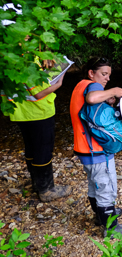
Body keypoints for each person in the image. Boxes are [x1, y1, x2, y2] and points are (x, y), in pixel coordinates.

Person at [69, 58, 122, 237]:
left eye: (108, 76)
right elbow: (92, 98)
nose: (107, 79)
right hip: (96, 151)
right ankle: (111, 229)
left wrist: (106, 100)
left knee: (94, 185)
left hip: (83, 149)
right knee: (105, 187)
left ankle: (100, 216)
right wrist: (114, 91)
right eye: (104, 74)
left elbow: (91, 107)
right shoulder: (93, 87)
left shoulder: (80, 85)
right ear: (91, 73)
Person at [1, 60, 72, 202]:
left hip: (19, 110)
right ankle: (46, 190)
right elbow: (39, 93)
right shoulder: (26, 60)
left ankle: (37, 183)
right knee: (43, 149)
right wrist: (60, 79)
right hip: (38, 112)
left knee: (31, 147)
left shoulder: (7, 56)